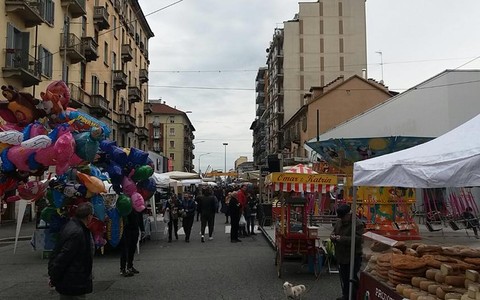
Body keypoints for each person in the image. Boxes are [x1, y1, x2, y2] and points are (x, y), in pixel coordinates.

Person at [48, 202, 94, 299]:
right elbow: (63, 258)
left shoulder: (70, 226)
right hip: (73, 280)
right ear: (89, 216)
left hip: (72, 278)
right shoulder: (77, 232)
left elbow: (58, 251)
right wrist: (54, 277)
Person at [331, 204, 364, 300]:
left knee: (352, 278)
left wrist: (341, 239)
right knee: (344, 277)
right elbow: (334, 232)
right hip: (341, 255)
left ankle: (354, 297)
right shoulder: (339, 222)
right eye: (340, 217)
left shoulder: (357, 224)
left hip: (352, 256)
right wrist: (332, 236)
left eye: (343, 217)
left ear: (348, 215)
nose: (342, 219)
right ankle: (345, 295)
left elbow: (358, 239)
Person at [120, 208, 145, 277]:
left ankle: (130, 266)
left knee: (132, 248)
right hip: (126, 229)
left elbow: (140, 217)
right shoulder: (126, 203)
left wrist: (142, 229)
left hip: (135, 228)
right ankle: (123, 269)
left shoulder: (137, 205)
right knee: (125, 249)